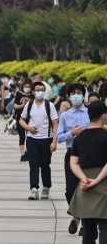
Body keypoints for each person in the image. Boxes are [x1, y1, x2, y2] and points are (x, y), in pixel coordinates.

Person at [66, 100, 107, 243]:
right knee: (105, 227)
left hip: (85, 185)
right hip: (104, 184)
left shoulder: (80, 137)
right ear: (103, 116)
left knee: (88, 228)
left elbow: (74, 163)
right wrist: (97, 180)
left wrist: (84, 178)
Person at [59, 83, 92, 236]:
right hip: (71, 153)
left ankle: (84, 223)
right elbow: (59, 138)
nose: (76, 96)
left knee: (86, 187)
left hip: (89, 153)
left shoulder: (90, 113)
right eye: (73, 93)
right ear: (69, 96)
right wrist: (71, 133)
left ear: (83, 95)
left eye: (79, 93)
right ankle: (76, 215)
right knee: (70, 189)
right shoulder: (65, 115)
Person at [20, 80, 58, 200]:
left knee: (45, 164)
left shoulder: (49, 105)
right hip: (32, 139)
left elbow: (55, 123)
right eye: (37, 90)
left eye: (42, 90)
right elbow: (21, 119)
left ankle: (46, 187)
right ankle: (34, 188)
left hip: (46, 139)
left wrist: (54, 141)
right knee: (34, 165)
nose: (40, 92)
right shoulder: (29, 104)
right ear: (33, 92)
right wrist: (28, 127)